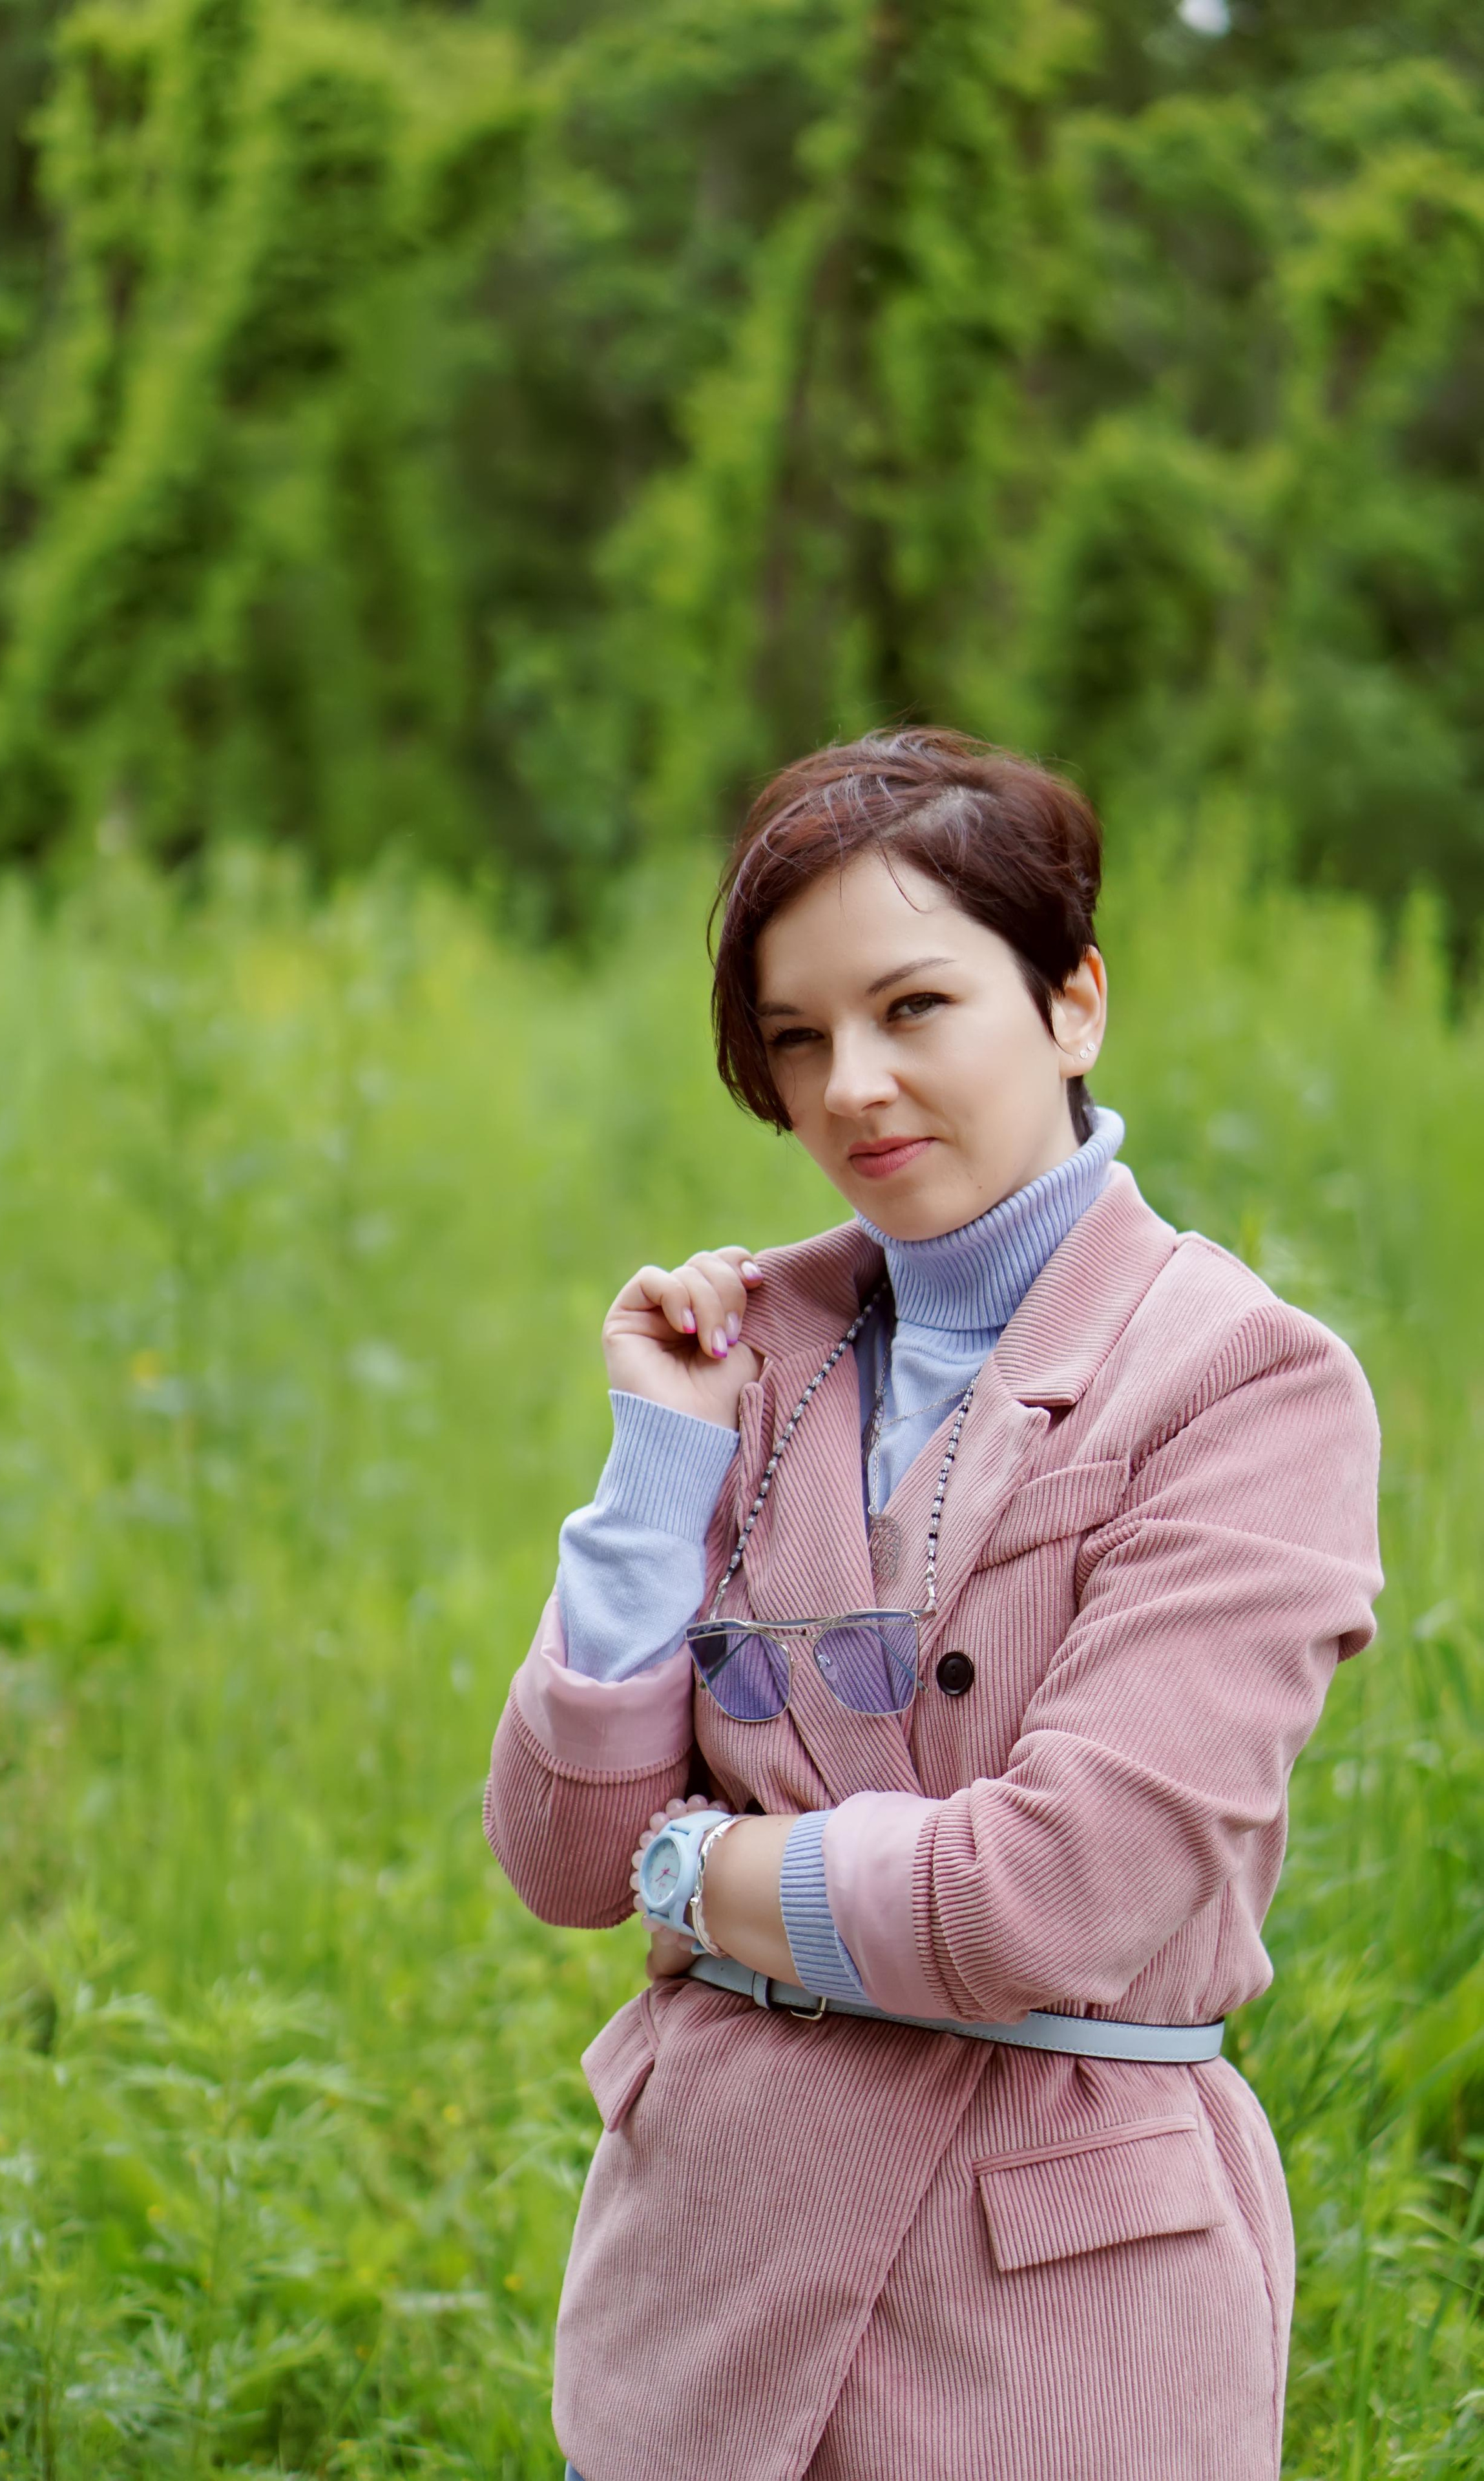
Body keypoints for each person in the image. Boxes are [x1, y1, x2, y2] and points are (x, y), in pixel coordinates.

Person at [483, 728, 1382, 2481]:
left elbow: (1051, 1896)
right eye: (799, 1040)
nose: (852, 1091)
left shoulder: (1245, 1385)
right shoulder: (750, 1349)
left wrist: (701, 1869)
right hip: (703, 2300)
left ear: (1073, 1004)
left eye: (914, 1010)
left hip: (1048, 2324)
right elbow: (562, 1856)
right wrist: (659, 1475)